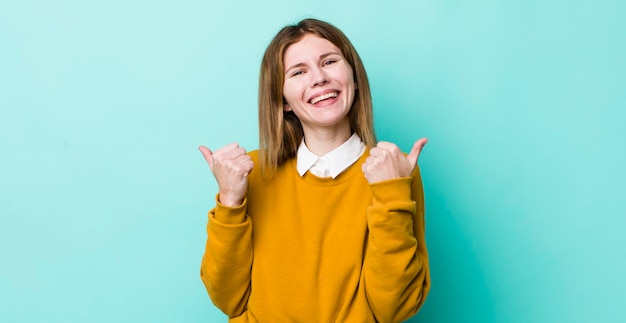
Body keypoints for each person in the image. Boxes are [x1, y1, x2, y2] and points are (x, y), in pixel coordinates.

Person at [198, 18, 430, 323]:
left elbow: (393, 308)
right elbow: (229, 299)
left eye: (330, 61)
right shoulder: (250, 174)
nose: (319, 78)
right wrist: (229, 201)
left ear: (354, 78)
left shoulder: (393, 170)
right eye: (298, 72)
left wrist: (391, 196)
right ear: (282, 100)